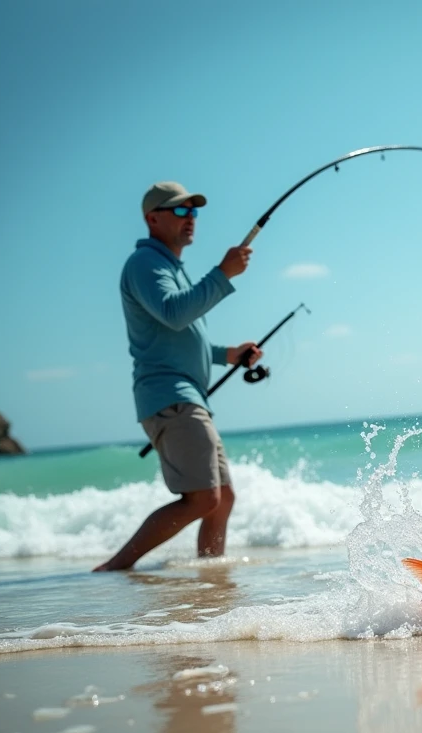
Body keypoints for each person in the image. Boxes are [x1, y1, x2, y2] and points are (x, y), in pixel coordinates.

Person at [94, 181, 262, 571]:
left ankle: (208, 578)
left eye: (194, 211)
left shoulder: (170, 268)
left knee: (223, 497)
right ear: (152, 218)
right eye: (180, 211)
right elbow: (174, 313)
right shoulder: (145, 264)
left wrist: (229, 355)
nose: (190, 219)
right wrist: (222, 274)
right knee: (204, 498)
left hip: (187, 397)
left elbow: (185, 337)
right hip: (171, 396)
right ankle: (117, 566)